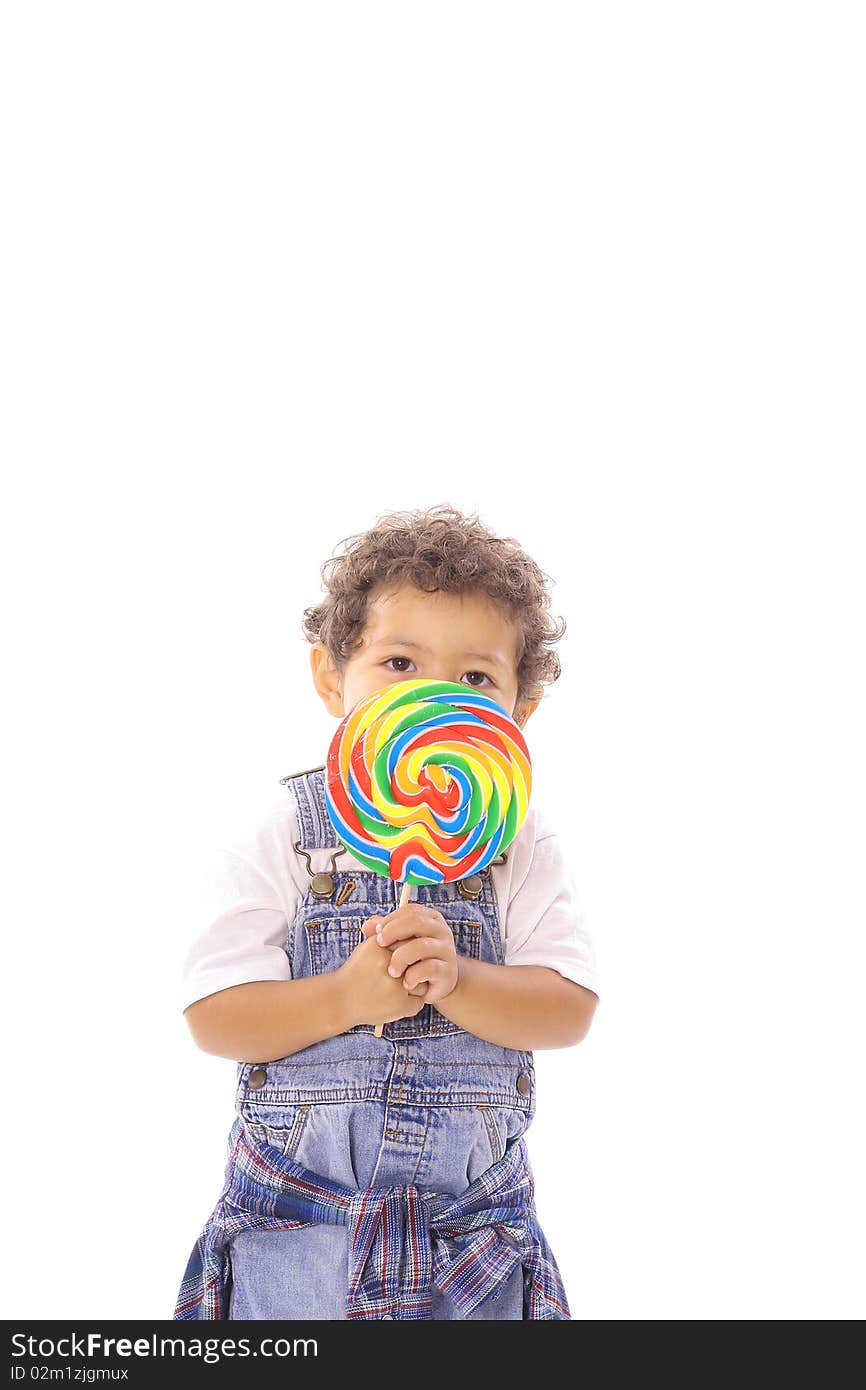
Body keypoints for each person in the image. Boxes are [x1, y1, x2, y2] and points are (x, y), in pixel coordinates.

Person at [174, 504, 601, 1320]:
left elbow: (568, 1008)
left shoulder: (519, 843)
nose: (434, 697)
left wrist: (459, 980)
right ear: (333, 679)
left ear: (521, 709)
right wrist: (344, 997)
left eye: (475, 678)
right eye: (400, 662)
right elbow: (215, 1017)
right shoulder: (286, 834)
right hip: (300, 1231)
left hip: (467, 1243)